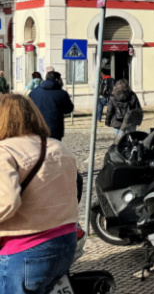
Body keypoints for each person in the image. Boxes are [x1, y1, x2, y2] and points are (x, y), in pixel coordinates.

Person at [0, 94, 79, 293]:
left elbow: (6, 202)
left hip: (24, 249)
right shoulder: (58, 147)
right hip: (66, 241)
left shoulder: (5, 151)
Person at [28, 72, 73, 141]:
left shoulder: (34, 92)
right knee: (53, 148)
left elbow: (28, 108)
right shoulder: (62, 93)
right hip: (55, 127)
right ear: (58, 79)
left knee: (39, 149)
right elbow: (69, 109)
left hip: (37, 126)